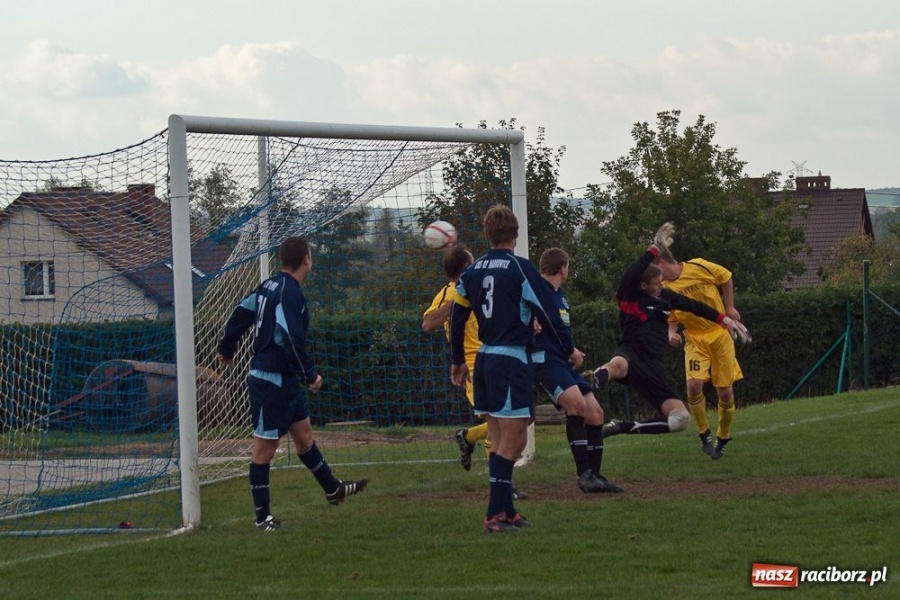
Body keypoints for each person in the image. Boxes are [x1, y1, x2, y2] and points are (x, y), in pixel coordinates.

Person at [217, 236, 368, 532]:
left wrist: (227, 346)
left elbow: (241, 311)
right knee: (264, 449)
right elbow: (288, 336)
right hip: (270, 379)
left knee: (304, 436)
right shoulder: (290, 293)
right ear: (306, 260)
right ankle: (262, 519)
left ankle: (332, 489)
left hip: (284, 380)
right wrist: (310, 374)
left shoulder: (269, 286)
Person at [449, 205, 576, 533]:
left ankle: (507, 511)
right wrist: (568, 349)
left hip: (485, 358)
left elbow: (458, 316)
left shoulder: (472, 271)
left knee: (497, 435)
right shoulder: (520, 268)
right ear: (515, 235)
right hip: (510, 359)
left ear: (488, 235)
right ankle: (494, 514)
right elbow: (547, 312)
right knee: (515, 440)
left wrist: (457, 360)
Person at [592, 223, 741, 441]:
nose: (662, 286)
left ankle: (621, 427)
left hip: (653, 366)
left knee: (680, 419)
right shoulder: (629, 296)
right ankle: (591, 381)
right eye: (657, 283)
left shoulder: (666, 298)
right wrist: (654, 248)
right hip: (631, 354)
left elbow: (695, 306)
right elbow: (632, 272)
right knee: (618, 365)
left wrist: (724, 318)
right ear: (643, 285)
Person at [423, 243, 528, 500]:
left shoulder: (481, 286)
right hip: (471, 366)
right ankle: (503, 486)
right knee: (497, 423)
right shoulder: (449, 292)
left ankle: (468, 438)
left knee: (520, 418)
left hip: (492, 357)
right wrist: (458, 302)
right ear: (466, 267)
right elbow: (427, 323)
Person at [533, 248, 622, 493]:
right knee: (578, 406)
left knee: (595, 413)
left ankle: (595, 476)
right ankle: (584, 475)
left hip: (563, 360)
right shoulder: (536, 289)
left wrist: (573, 350)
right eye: (568, 266)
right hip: (545, 361)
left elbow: (558, 330)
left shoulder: (559, 294)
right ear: (563, 267)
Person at [657, 252, 745, 459]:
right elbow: (673, 317)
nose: (656, 278)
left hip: (719, 335)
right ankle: (703, 433)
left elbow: (726, 276)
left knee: (724, 392)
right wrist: (671, 333)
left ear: (663, 263)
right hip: (695, 338)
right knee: (693, 386)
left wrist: (729, 306)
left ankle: (723, 437)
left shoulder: (698, 266)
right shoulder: (665, 289)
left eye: (656, 271)